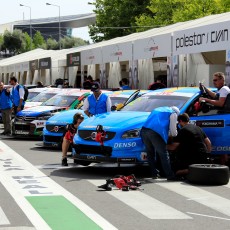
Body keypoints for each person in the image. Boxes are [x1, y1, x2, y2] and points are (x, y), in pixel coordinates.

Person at [140, 106, 180, 180]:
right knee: (164, 154)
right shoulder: (173, 113)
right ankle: (170, 175)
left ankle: (154, 173)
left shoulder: (157, 109)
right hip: (155, 133)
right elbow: (174, 132)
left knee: (150, 153)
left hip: (144, 131)